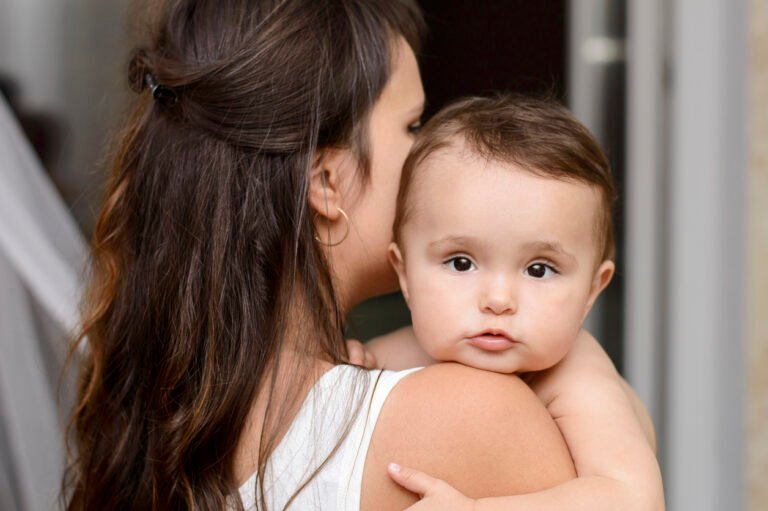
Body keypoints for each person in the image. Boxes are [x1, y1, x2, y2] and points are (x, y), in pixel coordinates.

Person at [62, 2, 578, 510]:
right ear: (327, 181)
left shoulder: (154, 426)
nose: (433, 154)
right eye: (414, 126)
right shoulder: (468, 421)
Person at [359, 94, 664, 510]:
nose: (498, 300)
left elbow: (633, 498)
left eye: (539, 270)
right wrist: (349, 358)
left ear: (592, 290)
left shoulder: (576, 377)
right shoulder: (395, 353)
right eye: (461, 262)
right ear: (405, 273)